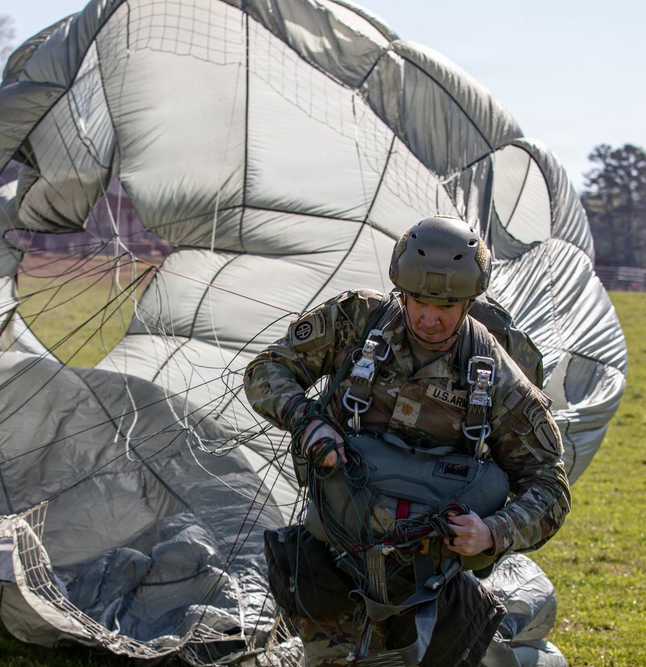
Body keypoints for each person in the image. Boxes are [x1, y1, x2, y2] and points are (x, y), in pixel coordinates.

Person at [244, 215, 570, 666]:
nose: (429, 318)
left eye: (447, 306)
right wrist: (308, 422)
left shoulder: (495, 375)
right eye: (417, 301)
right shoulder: (356, 323)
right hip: (339, 553)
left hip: (433, 572)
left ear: (471, 302)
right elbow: (267, 370)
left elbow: (550, 487)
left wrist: (492, 533)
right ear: (400, 288)